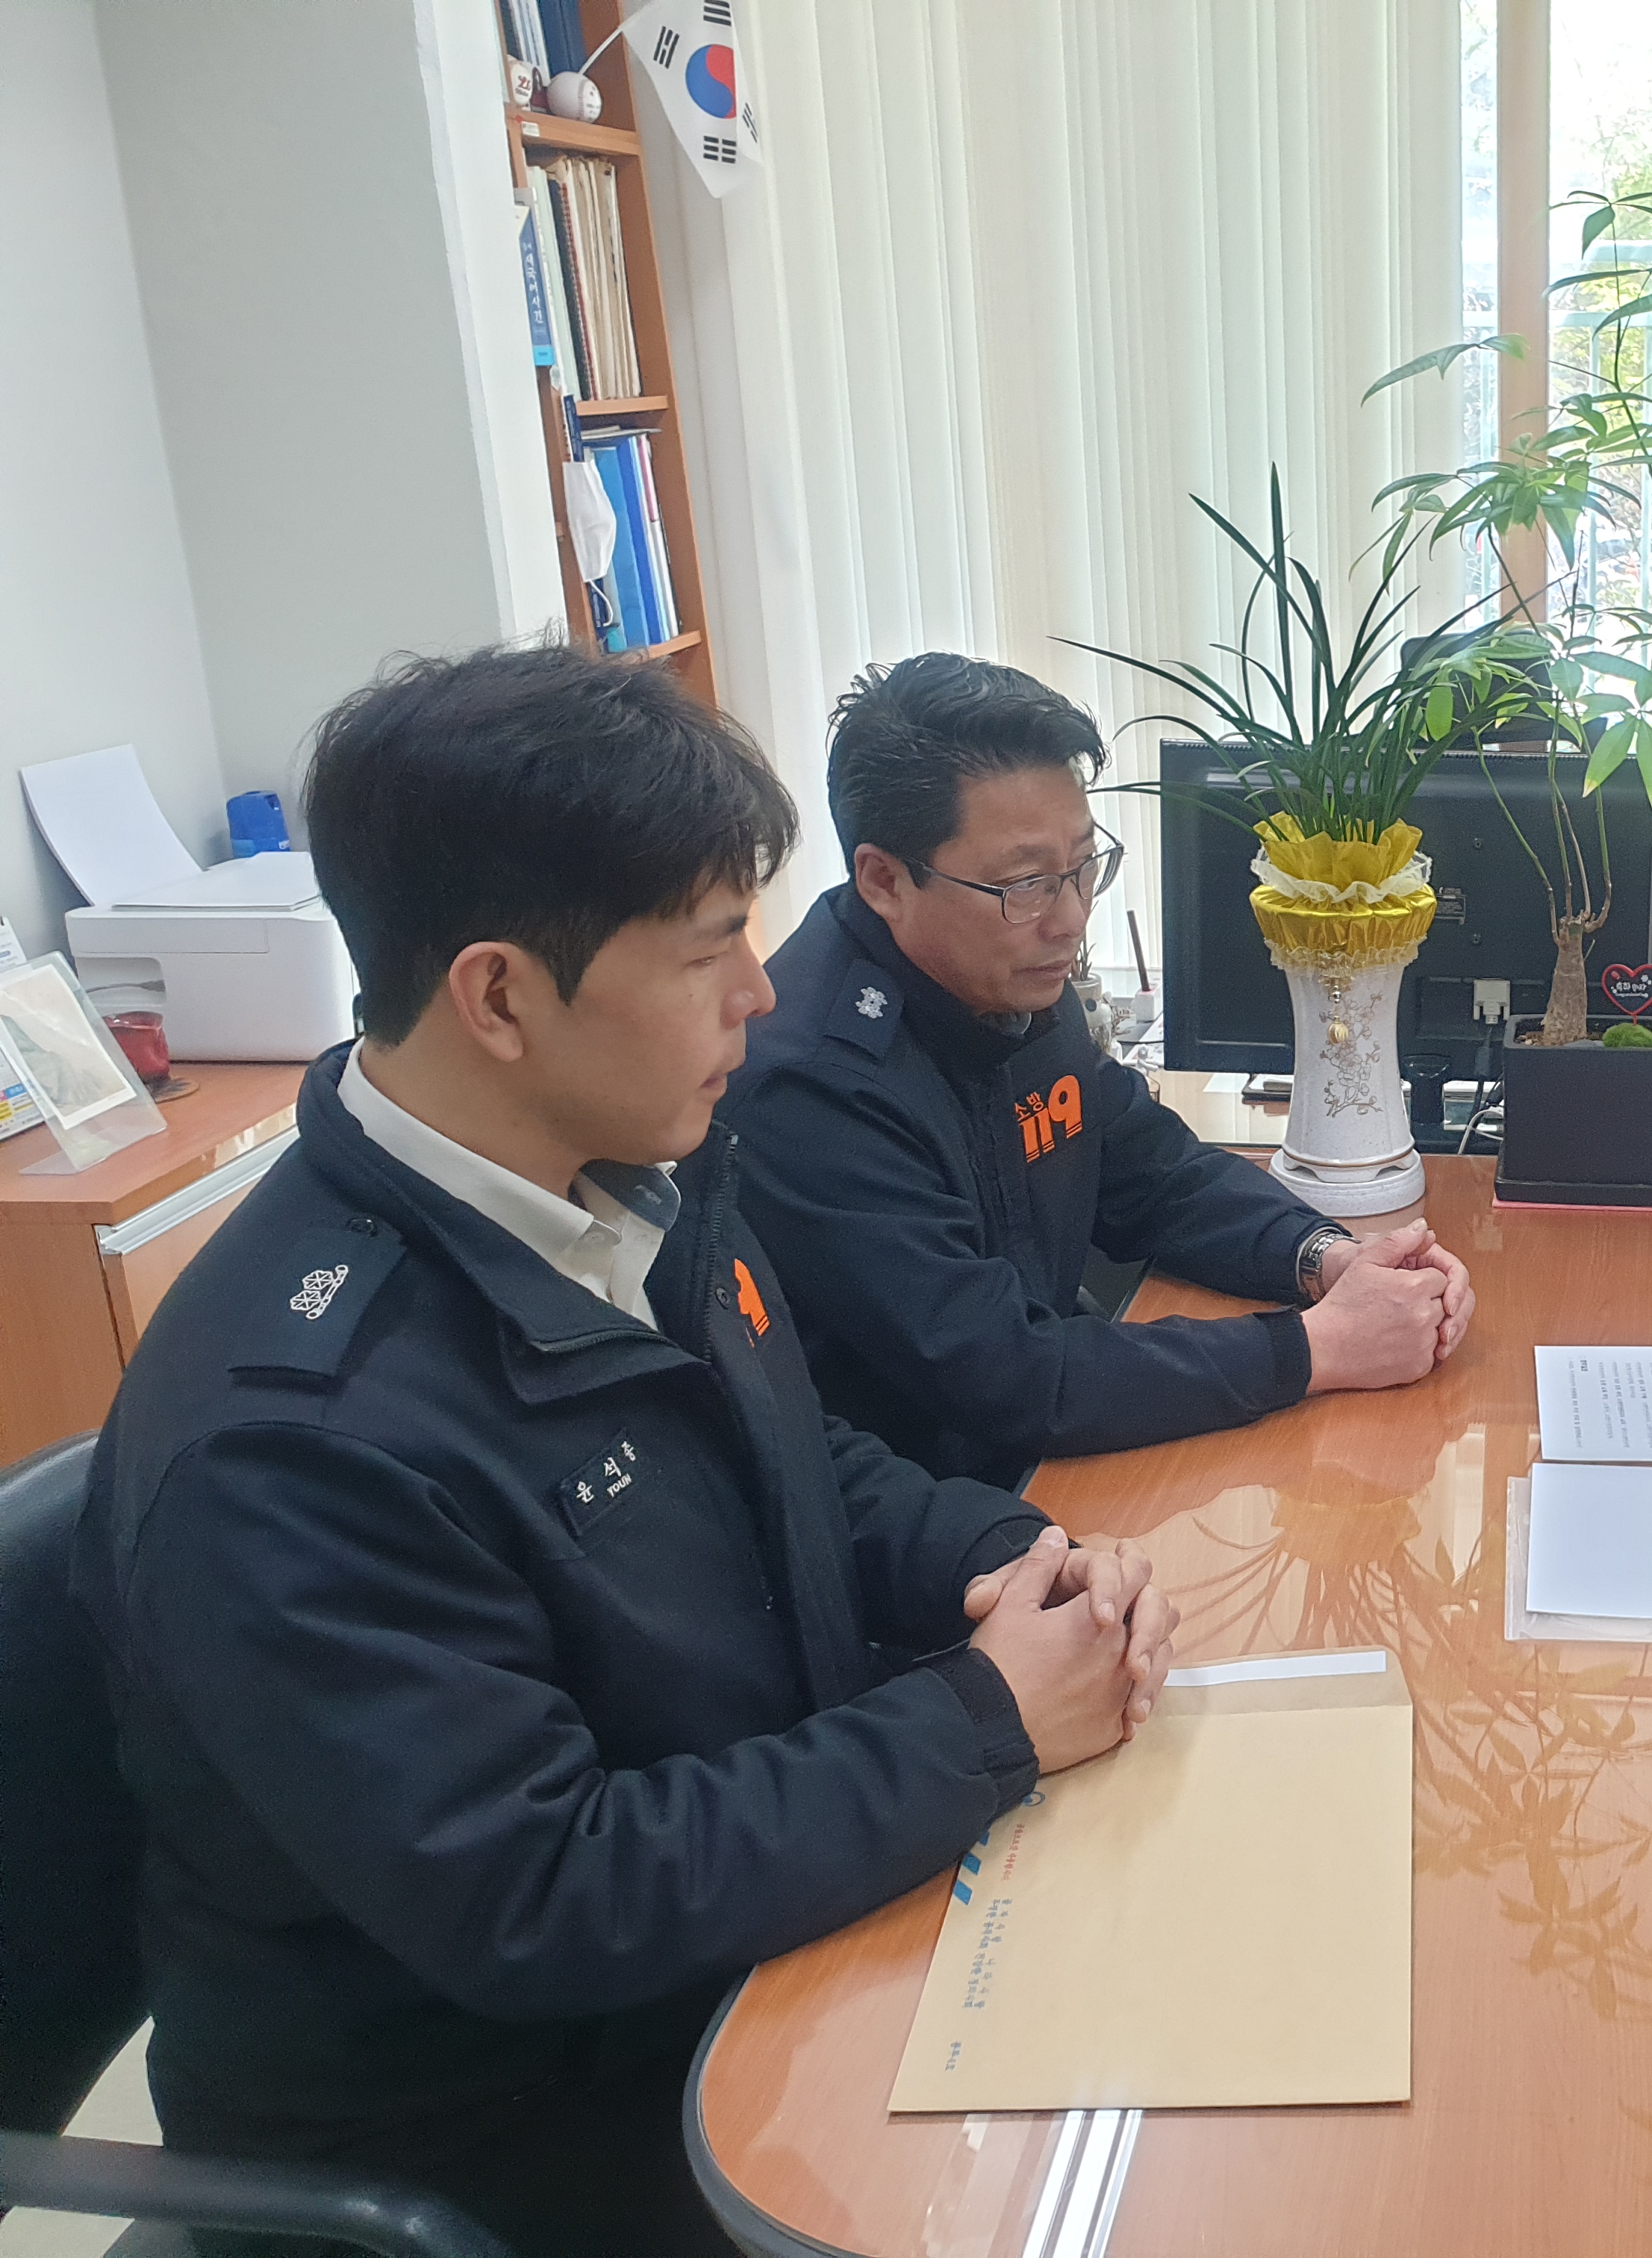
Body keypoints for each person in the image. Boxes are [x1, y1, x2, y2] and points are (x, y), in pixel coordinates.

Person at [72, 645, 1174, 2257]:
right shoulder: (290, 1440)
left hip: (746, 1949)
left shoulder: (630, 1170)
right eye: (710, 946)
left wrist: (1001, 1555)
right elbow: (549, 1892)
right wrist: (983, 1717)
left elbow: (799, 1455)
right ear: (501, 996)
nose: (763, 993)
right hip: (516, 2129)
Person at [720, 652, 1474, 1487]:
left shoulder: (1007, 980)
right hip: (945, 1514)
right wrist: (1314, 1348)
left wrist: (1324, 1256)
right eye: (1026, 884)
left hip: (1053, 1464)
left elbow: (1153, 1171)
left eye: (1082, 867)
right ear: (884, 880)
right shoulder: (811, 1088)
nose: (1072, 919)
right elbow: (1004, 1372)